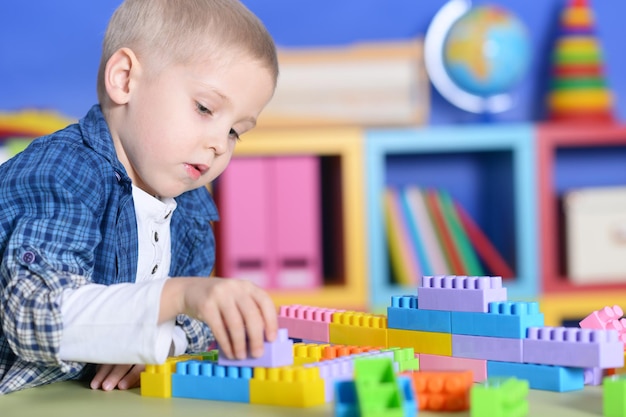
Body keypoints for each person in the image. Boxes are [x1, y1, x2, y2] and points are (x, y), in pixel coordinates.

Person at [0, 0, 279, 395]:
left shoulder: (190, 206)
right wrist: (176, 296)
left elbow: (197, 325)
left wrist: (154, 342)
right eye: (204, 108)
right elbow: (32, 316)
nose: (219, 144)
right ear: (125, 79)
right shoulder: (64, 172)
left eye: (236, 131)